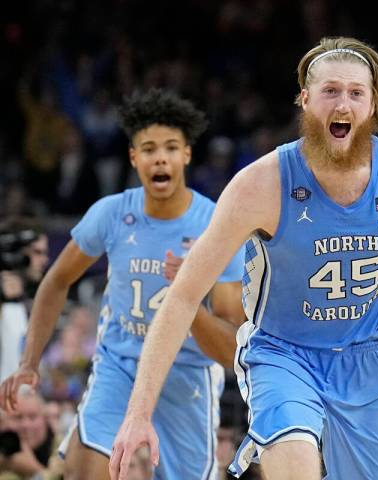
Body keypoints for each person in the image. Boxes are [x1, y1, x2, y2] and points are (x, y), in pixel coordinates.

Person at [109, 37, 378, 480]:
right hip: (284, 353)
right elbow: (183, 295)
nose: (342, 103)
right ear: (305, 100)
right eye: (330, 91)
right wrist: (138, 412)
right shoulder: (260, 184)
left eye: (355, 93)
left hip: (372, 358)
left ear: (373, 104)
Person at [0, 89, 246, 479]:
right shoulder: (112, 214)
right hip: (119, 365)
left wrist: (189, 298)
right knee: (84, 473)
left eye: (170, 147)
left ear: (186, 155)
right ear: (134, 158)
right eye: (148, 148)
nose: (160, 157)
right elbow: (56, 280)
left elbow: (233, 349)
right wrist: (29, 362)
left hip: (185, 377)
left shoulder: (216, 227)